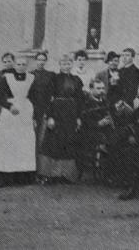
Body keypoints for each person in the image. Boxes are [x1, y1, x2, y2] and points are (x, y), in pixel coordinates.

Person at [0, 57, 37, 187]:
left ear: (26, 66)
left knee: (24, 144)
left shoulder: (31, 78)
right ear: (14, 65)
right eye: (18, 64)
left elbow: (34, 97)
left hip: (26, 112)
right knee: (8, 142)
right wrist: (9, 106)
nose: (21, 66)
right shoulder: (6, 78)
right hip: (10, 112)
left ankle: (22, 177)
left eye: (23, 64)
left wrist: (34, 117)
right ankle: (4, 176)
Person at [40, 55, 86, 184]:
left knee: (69, 142)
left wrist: (79, 117)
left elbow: (80, 100)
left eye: (68, 64)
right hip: (57, 112)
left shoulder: (77, 80)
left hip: (71, 113)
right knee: (54, 142)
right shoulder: (54, 79)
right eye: (64, 64)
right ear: (60, 65)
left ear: (72, 65)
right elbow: (48, 98)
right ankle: (50, 175)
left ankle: (66, 175)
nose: (66, 66)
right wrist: (50, 117)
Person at [30, 51, 55, 175]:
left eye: (43, 60)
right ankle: (31, 168)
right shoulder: (30, 75)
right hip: (33, 110)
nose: (41, 62)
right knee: (32, 139)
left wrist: (48, 112)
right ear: (36, 61)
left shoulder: (50, 75)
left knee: (42, 140)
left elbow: (51, 95)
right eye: (38, 59)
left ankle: (42, 170)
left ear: (46, 61)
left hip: (44, 110)